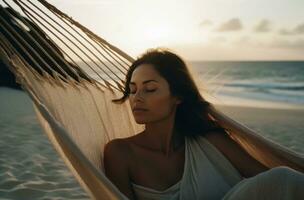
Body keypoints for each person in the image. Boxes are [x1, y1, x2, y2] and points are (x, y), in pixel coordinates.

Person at [103, 48, 304, 200]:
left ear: (178, 96)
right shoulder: (120, 152)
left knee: (284, 178)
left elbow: (271, 183)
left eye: (150, 89)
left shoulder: (210, 141)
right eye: (132, 89)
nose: (136, 98)